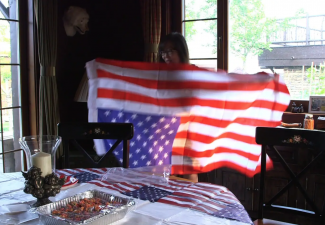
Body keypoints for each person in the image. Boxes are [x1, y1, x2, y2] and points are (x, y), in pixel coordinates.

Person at [158, 32, 198, 182]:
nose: (166, 55)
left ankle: (190, 201)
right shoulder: (160, 75)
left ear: (180, 51)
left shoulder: (192, 72)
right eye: (163, 52)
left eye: (170, 51)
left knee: (189, 169)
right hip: (165, 127)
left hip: (189, 127)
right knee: (168, 171)